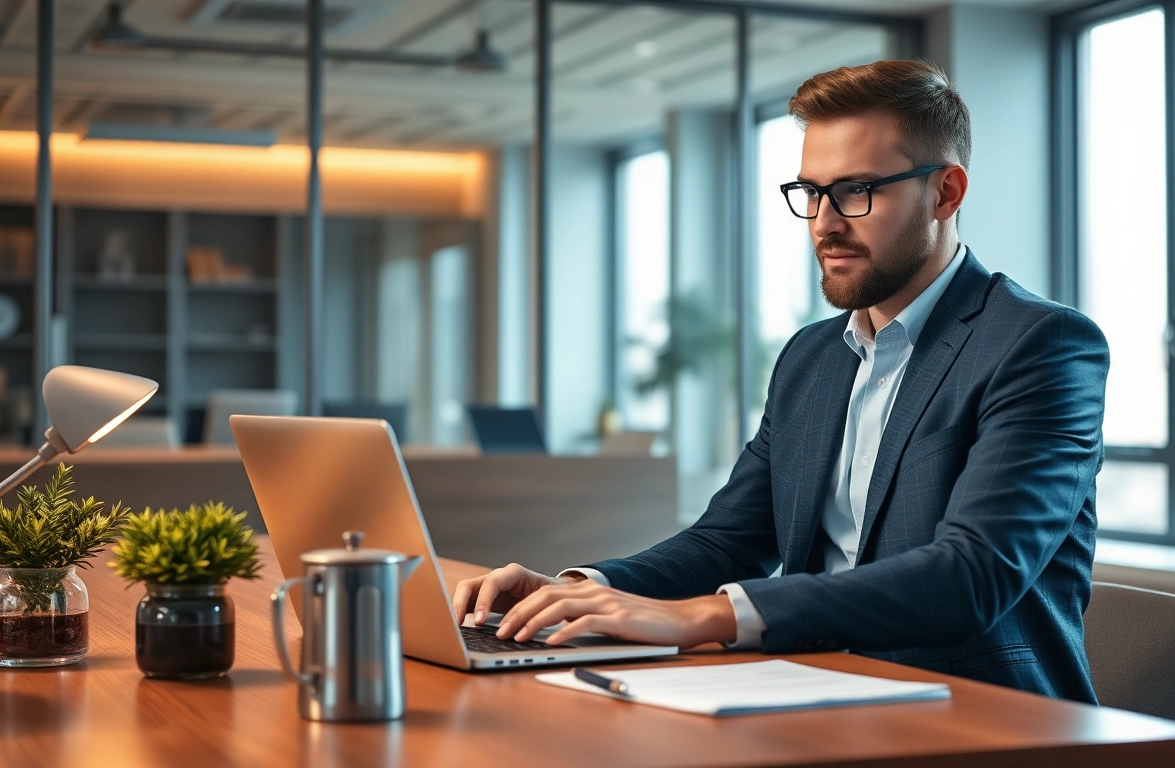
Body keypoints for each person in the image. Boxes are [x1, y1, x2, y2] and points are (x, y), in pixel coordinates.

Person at [453, 59, 1109, 703]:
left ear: (946, 192)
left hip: (977, 714)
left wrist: (707, 616)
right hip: (809, 692)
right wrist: (578, 588)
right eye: (812, 192)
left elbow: (972, 575)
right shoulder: (811, 357)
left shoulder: (1039, 345)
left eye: (857, 191)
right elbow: (729, 540)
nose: (825, 222)